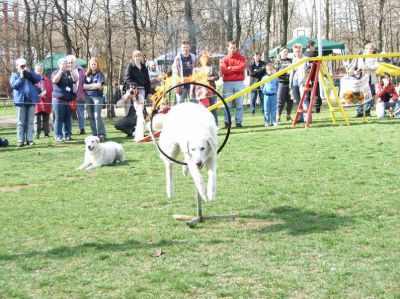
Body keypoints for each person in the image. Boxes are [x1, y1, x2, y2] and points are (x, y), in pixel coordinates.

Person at [9, 58, 41, 147]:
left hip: (31, 100)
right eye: (21, 66)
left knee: (30, 121)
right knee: (21, 122)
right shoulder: (14, 75)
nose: (23, 67)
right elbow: (14, 85)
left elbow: (38, 79)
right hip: (20, 101)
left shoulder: (30, 74)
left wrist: (29, 72)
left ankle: (29, 140)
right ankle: (20, 141)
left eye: (24, 66)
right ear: (17, 67)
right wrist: (21, 76)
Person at [220, 40, 247, 127]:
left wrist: (230, 68)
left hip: (239, 83)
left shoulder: (241, 58)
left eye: (234, 47)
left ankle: (238, 122)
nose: (232, 49)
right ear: (228, 48)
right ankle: (227, 122)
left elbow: (241, 68)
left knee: (239, 104)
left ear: (236, 48)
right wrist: (234, 69)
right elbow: (223, 70)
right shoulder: (224, 59)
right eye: (231, 47)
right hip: (227, 83)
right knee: (227, 104)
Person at [51, 57, 78, 142]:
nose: (65, 65)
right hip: (58, 99)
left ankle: (67, 135)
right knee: (59, 118)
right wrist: (60, 71)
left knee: (67, 118)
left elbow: (76, 79)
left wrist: (71, 70)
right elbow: (55, 80)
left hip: (69, 100)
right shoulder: (55, 72)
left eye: (66, 63)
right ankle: (58, 135)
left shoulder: (69, 73)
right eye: (63, 63)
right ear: (59, 65)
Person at [192, 51, 219, 125]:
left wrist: (209, 78)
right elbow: (193, 81)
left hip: (211, 90)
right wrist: (192, 92)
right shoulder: (196, 69)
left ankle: (215, 125)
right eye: (203, 57)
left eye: (206, 57)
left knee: (213, 108)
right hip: (200, 91)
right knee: (201, 109)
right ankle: (202, 125)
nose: (204, 59)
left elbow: (217, 77)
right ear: (199, 58)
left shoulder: (212, 67)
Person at [83, 57, 107, 141]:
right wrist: (94, 86)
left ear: (97, 65)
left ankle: (101, 134)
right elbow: (84, 86)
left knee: (97, 116)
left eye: (95, 64)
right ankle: (95, 134)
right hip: (88, 97)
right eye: (91, 64)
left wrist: (90, 86)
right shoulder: (87, 75)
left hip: (97, 97)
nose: (93, 66)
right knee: (91, 116)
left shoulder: (100, 74)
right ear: (89, 65)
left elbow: (99, 85)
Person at [356, 43, 378, 117]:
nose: (370, 50)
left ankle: (367, 112)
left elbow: (376, 66)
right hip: (363, 77)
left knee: (370, 95)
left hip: (371, 77)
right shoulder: (362, 57)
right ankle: (360, 112)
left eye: (372, 49)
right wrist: (369, 67)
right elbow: (360, 65)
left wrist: (369, 67)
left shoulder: (375, 57)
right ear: (366, 49)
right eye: (369, 49)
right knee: (361, 94)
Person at [66, 55, 86, 134]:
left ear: (75, 62)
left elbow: (84, 81)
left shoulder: (81, 70)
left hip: (79, 93)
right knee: (68, 113)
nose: (70, 64)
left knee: (80, 112)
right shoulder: (65, 70)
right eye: (69, 62)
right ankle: (69, 129)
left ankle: (82, 128)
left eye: (72, 62)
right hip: (69, 94)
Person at [33, 63, 53, 138]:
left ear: (42, 70)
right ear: (35, 70)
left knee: (46, 119)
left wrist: (45, 92)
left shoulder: (47, 79)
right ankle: (37, 133)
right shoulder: (33, 80)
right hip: (37, 102)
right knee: (36, 119)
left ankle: (46, 133)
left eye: (40, 69)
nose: (39, 70)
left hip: (46, 101)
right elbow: (32, 89)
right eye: (38, 69)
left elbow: (50, 88)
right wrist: (39, 95)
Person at [303, 40, 322, 114]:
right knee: (316, 92)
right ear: (310, 46)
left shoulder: (303, 54)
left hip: (306, 77)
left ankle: (308, 108)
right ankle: (317, 108)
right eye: (314, 46)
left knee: (307, 93)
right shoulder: (314, 54)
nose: (314, 47)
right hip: (313, 76)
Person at [274, 47, 293, 121]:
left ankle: (288, 116)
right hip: (281, 83)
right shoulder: (277, 61)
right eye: (284, 52)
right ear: (280, 53)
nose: (285, 53)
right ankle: (278, 116)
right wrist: (286, 71)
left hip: (290, 83)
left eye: (286, 52)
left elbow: (292, 70)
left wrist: (288, 71)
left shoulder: (290, 60)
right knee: (280, 101)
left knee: (290, 100)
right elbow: (277, 72)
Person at [290, 43, 305, 122]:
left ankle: (307, 117)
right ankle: (300, 117)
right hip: (294, 81)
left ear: (301, 51)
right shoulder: (293, 60)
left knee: (304, 99)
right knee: (298, 100)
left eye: (299, 51)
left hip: (302, 81)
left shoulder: (305, 59)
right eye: (296, 51)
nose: (297, 53)